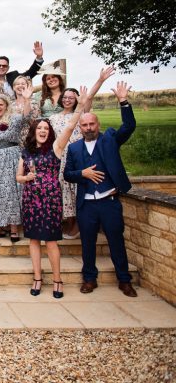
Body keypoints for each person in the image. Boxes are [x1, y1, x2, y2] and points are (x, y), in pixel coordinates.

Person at [64, 81, 138, 298]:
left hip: (109, 201)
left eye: (92, 124)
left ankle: (124, 280)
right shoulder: (74, 148)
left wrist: (123, 101)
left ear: (98, 124)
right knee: (87, 243)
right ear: (80, 128)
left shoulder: (109, 140)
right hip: (86, 203)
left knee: (116, 241)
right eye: (84, 125)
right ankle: (89, 278)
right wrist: (82, 174)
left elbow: (129, 126)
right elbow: (68, 174)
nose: (88, 128)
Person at [17, 88, 87, 299]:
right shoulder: (26, 151)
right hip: (30, 199)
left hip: (50, 200)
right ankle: (37, 278)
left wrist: (81, 106)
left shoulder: (56, 148)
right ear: (34, 131)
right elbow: (18, 177)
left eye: (46, 128)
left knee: (51, 241)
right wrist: (26, 178)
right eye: (39, 127)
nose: (43, 130)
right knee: (33, 240)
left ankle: (57, 279)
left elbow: (70, 126)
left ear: (49, 132)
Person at [50, 67, 115, 239]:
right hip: (60, 157)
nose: (68, 100)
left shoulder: (82, 116)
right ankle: (70, 223)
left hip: (79, 154)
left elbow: (90, 97)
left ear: (78, 99)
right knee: (64, 190)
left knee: (78, 188)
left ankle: (80, 224)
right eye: (65, 97)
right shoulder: (53, 118)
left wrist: (100, 80)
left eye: (72, 97)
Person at [0, 86, 35, 241]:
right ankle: (3, 226)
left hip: (10, 159)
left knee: (11, 193)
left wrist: (26, 99)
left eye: (1, 104)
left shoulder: (15, 118)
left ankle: (14, 229)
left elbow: (27, 117)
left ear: (6, 106)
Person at [0, 42, 44, 123]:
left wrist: (39, 57)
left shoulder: (15, 77)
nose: (1, 67)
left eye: (4, 66)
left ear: (8, 68)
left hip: (18, 118)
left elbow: (31, 73)